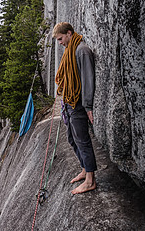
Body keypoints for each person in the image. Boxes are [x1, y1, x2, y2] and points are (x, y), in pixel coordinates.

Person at [53, 22, 97, 194]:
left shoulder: (81, 51)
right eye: (57, 40)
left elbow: (88, 80)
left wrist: (88, 106)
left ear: (69, 33)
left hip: (78, 103)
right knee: (72, 138)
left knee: (82, 140)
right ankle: (85, 169)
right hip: (70, 102)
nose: (60, 43)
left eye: (61, 38)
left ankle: (90, 180)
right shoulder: (70, 51)